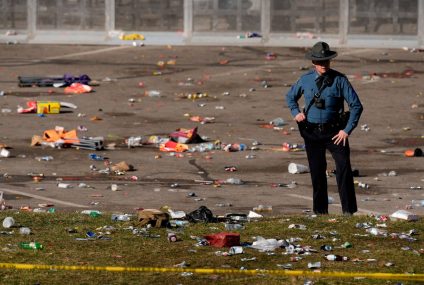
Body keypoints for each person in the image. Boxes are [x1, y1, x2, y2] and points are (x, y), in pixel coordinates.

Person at [285, 41, 363, 215]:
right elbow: (290, 97)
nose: (324, 65)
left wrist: (346, 130)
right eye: (320, 62)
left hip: (336, 132)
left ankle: (348, 211)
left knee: (343, 169)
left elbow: (356, 106)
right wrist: (295, 112)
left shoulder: (340, 80)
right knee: (317, 172)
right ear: (313, 63)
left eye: (326, 61)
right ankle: (320, 212)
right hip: (312, 132)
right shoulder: (305, 80)